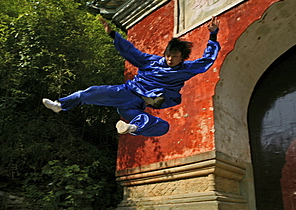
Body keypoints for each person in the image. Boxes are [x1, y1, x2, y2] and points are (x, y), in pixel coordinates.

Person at [43, 16, 220, 137]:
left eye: (174, 56)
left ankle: (131, 128)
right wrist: (113, 35)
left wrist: (213, 34)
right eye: (168, 55)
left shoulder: (186, 68)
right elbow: (131, 52)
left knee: (163, 127)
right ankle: (60, 105)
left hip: (143, 102)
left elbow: (207, 60)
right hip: (127, 93)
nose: (170, 59)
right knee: (89, 93)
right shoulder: (151, 61)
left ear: (182, 58)